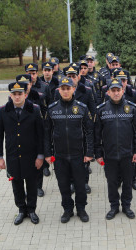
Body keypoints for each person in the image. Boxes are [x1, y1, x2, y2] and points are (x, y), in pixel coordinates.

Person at [45, 76, 94, 223]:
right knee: (63, 184)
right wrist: (48, 153)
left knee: (80, 184)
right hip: (60, 156)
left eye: (68, 88)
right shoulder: (52, 109)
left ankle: (81, 209)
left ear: (73, 89)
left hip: (78, 154)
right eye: (63, 89)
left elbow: (89, 131)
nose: (66, 91)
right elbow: (46, 133)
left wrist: (89, 152)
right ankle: (67, 209)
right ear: (59, 90)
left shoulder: (82, 108)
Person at [0, 81, 44, 225]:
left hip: (31, 155)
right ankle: (22, 210)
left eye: (20, 94)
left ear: (25, 95)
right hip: (12, 155)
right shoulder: (3, 110)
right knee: (16, 184)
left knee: (32, 184)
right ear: (10, 95)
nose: (17, 97)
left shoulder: (34, 109)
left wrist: (40, 156)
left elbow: (41, 134)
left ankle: (32, 210)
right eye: (14, 94)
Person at [95, 78, 136, 220]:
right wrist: (98, 154)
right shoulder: (101, 110)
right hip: (109, 155)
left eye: (118, 90)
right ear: (108, 92)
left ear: (123, 91)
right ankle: (114, 206)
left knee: (128, 182)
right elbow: (97, 134)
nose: (116, 93)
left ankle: (126, 206)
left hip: (127, 153)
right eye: (113, 91)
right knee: (112, 182)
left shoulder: (132, 108)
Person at [15, 74, 47, 197]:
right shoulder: (14, 98)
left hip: (34, 134)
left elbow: (44, 111)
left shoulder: (37, 96)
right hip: (21, 136)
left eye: (27, 84)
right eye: (21, 84)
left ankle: (38, 186)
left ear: (30, 84)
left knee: (37, 163)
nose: (25, 86)